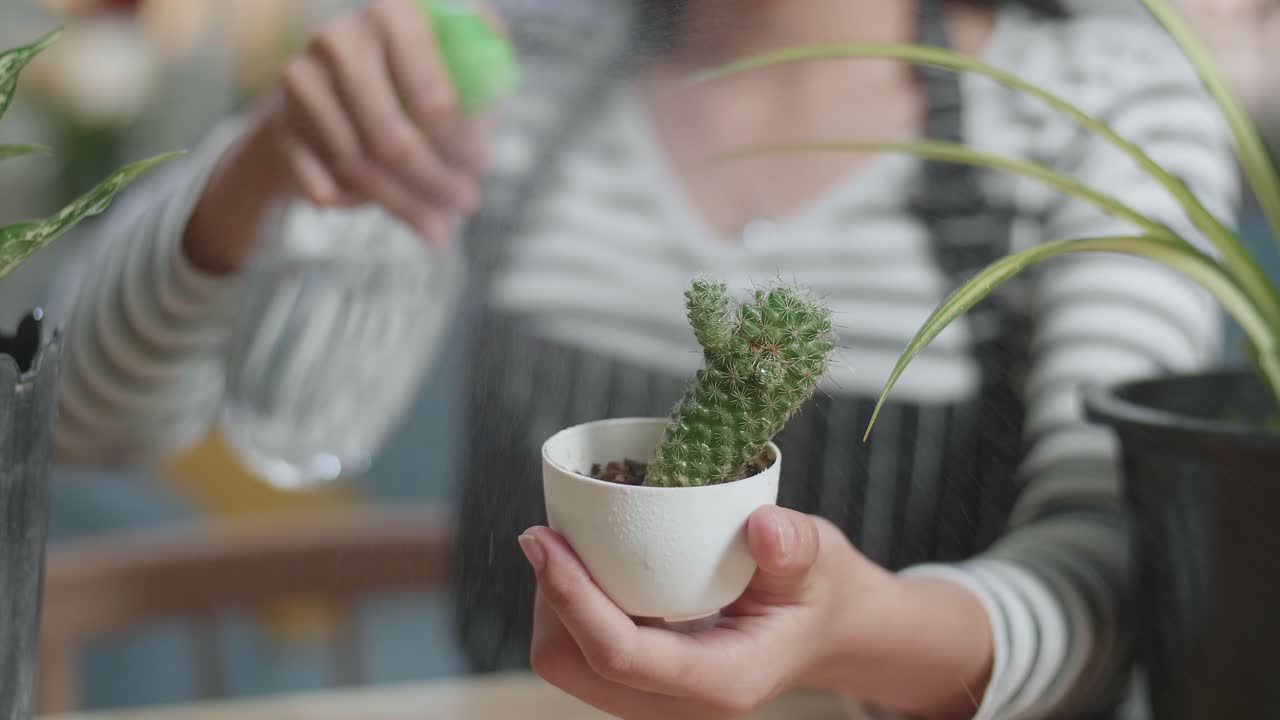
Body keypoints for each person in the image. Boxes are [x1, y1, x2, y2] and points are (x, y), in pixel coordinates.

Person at [52, 0, 1238, 717]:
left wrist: (853, 631)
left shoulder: (1105, 110)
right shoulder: (506, 72)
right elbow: (76, 415)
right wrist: (261, 162)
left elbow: (1117, 583)